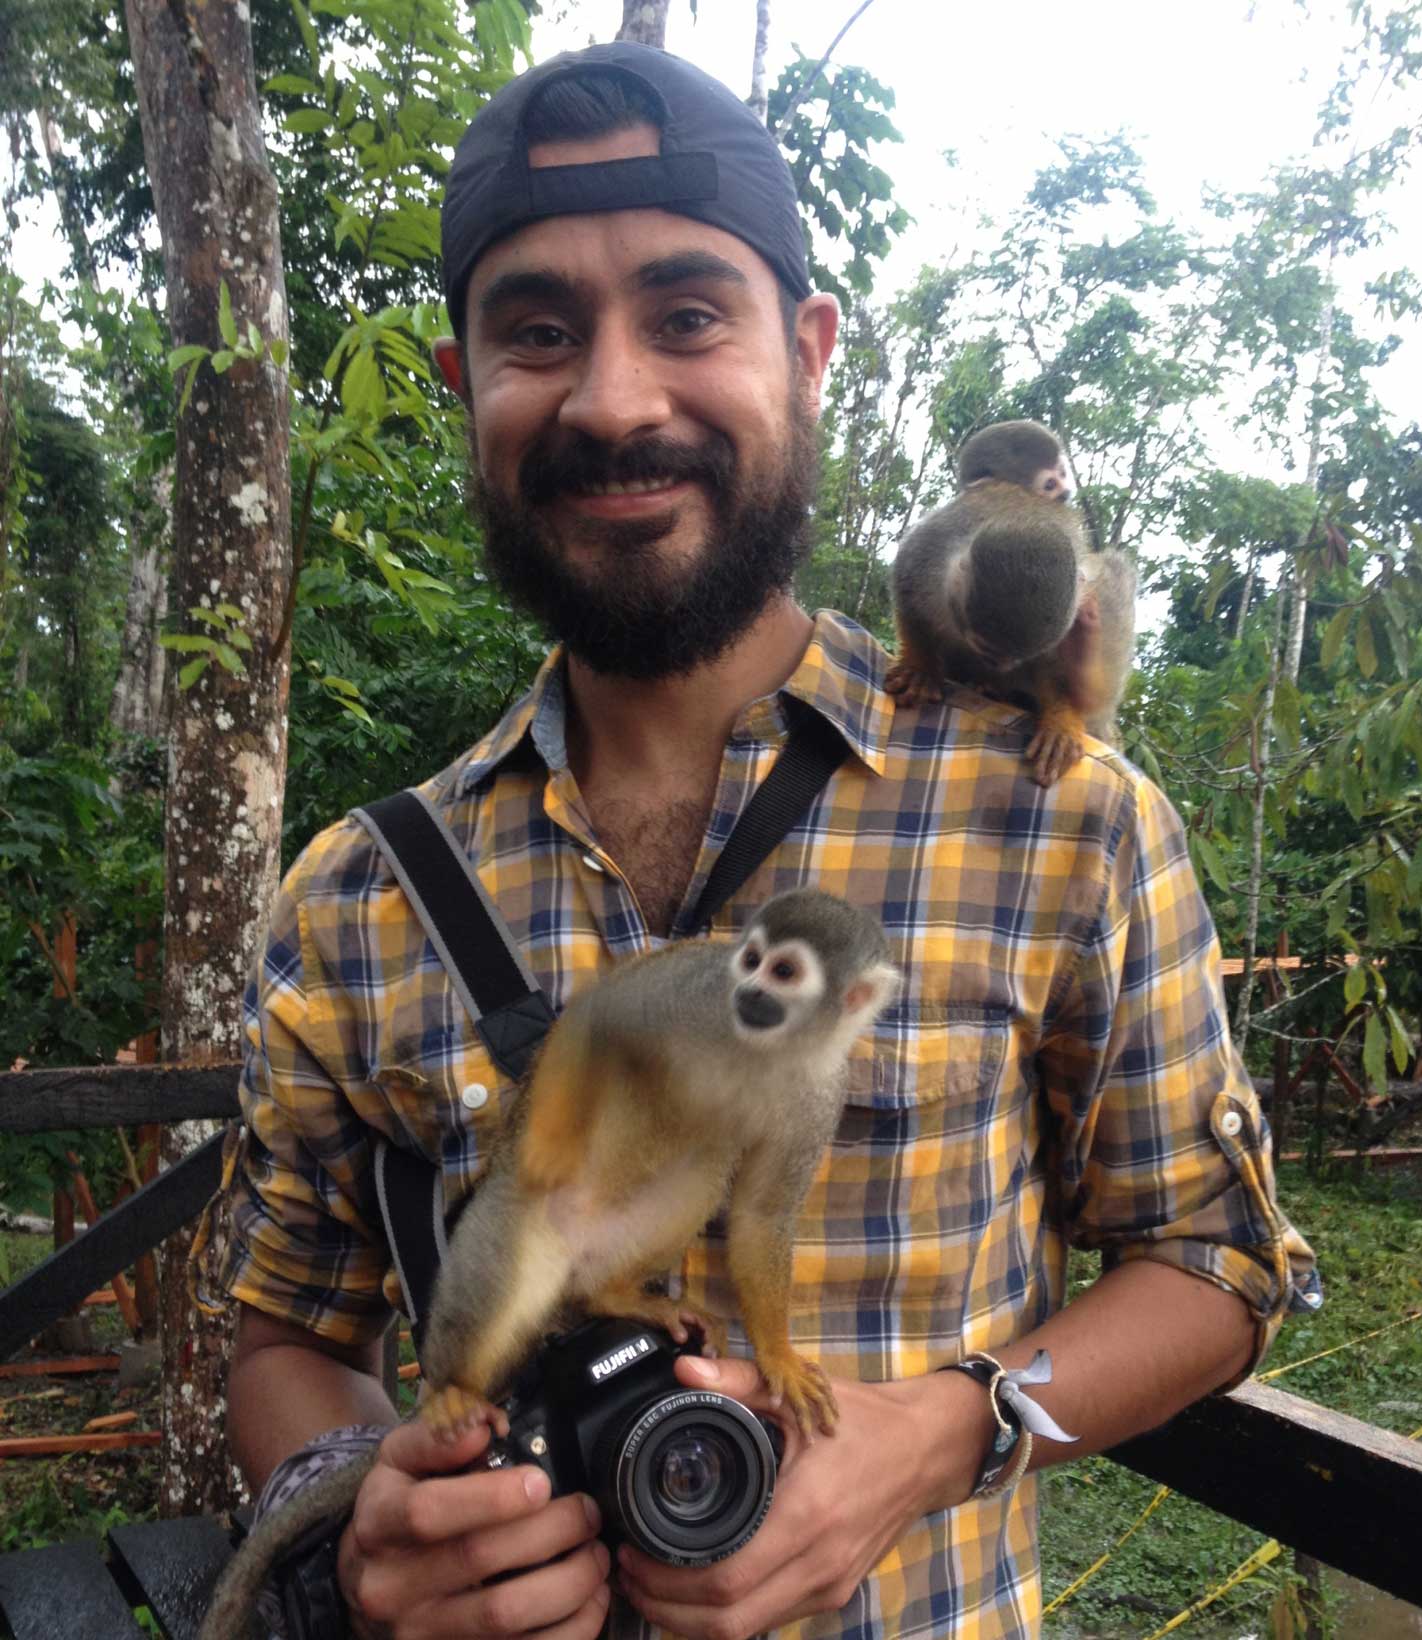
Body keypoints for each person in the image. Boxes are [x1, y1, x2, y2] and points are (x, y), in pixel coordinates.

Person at [220, 41, 1318, 1640]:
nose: (614, 398)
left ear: (806, 354)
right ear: (468, 388)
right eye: (538, 332)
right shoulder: (354, 898)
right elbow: (283, 1336)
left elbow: (1217, 1269)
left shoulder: (1059, 815)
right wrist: (364, 1514)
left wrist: (946, 1432)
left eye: (685, 315)